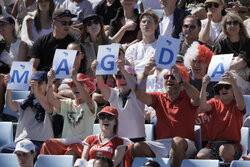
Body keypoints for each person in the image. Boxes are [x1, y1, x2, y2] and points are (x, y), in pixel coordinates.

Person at [132, 58, 199, 167]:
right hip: (162, 143)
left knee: (177, 142)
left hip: (185, 144)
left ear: (181, 82)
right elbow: (139, 95)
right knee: (137, 147)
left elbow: (198, 99)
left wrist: (181, 79)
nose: (169, 79)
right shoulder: (159, 98)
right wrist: (145, 74)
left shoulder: (188, 97)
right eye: (166, 77)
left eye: (173, 77)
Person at [40, 68, 97, 161]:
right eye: (74, 85)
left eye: (81, 84)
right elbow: (51, 100)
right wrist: (50, 82)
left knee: (70, 153)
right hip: (65, 143)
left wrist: (75, 80)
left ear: (88, 89)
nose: (76, 87)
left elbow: (89, 102)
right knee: (47, 144)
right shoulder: (68, 103)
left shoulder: (92, 103)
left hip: (82, 144)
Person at [0, 71, 54, 154]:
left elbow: (48, 108)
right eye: (33, 83)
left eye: (39, 83)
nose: (35, 85)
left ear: (47, 85)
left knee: (28, 153)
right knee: (3, 151)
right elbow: (10, 104)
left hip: (41, 142)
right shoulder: (25, 102)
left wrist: (36, 92)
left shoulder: (50, 102)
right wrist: (9, 88)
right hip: (21, 141)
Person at [92, 60, 145, 142]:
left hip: (137, 139)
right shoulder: (113, 93)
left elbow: (134, 85)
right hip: (118, 139)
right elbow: (102, 86)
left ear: (133, 77)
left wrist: (122, 69)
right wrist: (97, 72)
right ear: (115, 79)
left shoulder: (138, 92)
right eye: (119, 77)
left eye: (125, 76)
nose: (123, 80)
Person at [196, 72, 246, 162]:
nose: (223, 89)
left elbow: (241, 105)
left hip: (232, 145)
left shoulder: (237, 104)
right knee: (200, 157)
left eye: (226, 87)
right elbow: (202, 107)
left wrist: (233, 83)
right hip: (212, 145)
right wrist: (204, 85)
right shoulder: (214, 102)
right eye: (220, 87)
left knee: (225, 152)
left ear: (233, 90)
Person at [183, 41, 215, 146]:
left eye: (200, 61)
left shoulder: (214, 80)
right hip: (189, 121)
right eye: (194, 61)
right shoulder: (184, 79)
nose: (196, 65)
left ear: (207, 63)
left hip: (209, 122)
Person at [213, 12, 250, 94]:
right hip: (225, 83)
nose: (232, 25)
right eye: (229, 23)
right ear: (225, 27)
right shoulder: (220, 44)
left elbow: (242, 63)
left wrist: (225, 68)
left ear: (240, 26)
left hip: (246, 83)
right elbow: (215, 66)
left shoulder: (248, 42)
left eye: (235, 22)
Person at [125, 10, 159, 75]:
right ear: (140, 25)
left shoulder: (162, 47)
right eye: (143, 22)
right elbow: (130, 70)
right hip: (136, 81)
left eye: (149, 22)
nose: (146, 24)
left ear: (156, 26)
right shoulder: (132, 48)